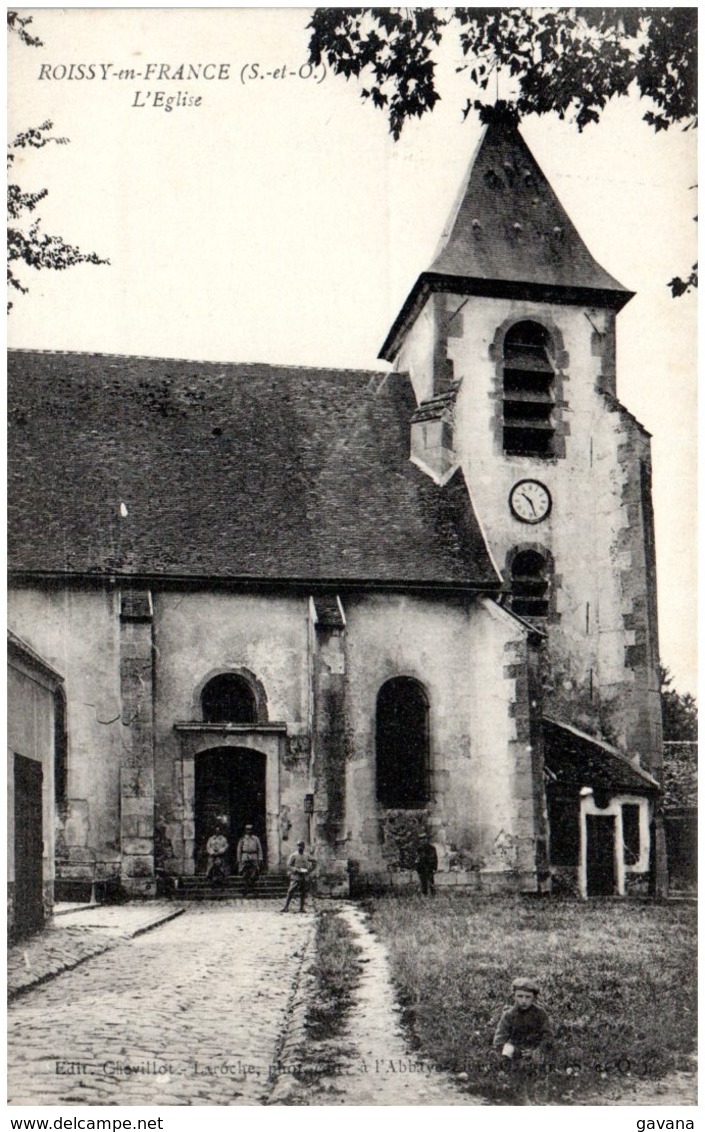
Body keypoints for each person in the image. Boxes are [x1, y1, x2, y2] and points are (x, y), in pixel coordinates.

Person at [493, 977, 553, 1067]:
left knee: (544, 1060)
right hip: (516, 1050)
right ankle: (508, 1068)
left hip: (535, 1048)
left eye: (528, 997)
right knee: (506, 1051)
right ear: (514, 996)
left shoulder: (540, 1013)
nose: (524, 1001)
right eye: (520, 996)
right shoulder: (509, 1015)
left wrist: (537, 1050)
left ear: (534, 998)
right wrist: (514, 1051)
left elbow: (548, 1036)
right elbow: (499, 1040)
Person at [281, 840, 316, 913]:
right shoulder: (293, 855)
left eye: (302, 846)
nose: (300, 847)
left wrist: (309, 870)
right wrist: (296, 870)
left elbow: (315, 861)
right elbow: (288, 866)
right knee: (290, 891)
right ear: (297, 846)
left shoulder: (307, 855)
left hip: (304, 876)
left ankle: (301, 908)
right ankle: (286, 907)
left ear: (304, 847)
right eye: (299, 846)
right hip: (295, 876)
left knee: (303, 892)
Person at [237, 823, 264, 895]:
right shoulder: (242, 839)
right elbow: (239, 849)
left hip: (254, 857)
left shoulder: (256, 839)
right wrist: (239, 860)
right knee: (245, 874)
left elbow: (259, 849)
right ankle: (246, 889)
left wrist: (260, 858)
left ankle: (252, 889)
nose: (249, 831)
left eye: (250, 829)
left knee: (253, 874)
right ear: (245, 830)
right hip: (245, 856)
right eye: (247, 829)